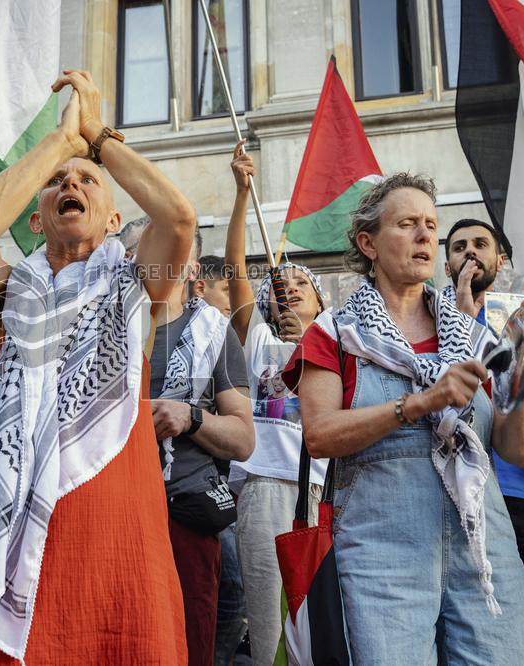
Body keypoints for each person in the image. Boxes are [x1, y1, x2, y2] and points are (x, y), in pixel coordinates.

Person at [0, 69, 193, 665]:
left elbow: (178, 217)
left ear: (112, 223)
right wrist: (61, 143)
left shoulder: (136, 286)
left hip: (114, 527)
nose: (70, 185)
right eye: (56, 185)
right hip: (13, 523)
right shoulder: (8, 296)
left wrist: (97, 135)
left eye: (86, 183)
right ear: (34, 218)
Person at [291, 173, 524, 662]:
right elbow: (320, 435)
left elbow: (519, 451)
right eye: (407, 223)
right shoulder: (335, 333)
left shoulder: (476, 337)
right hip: (381, 558)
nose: (426, 235)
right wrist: (419, 404)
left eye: (431, 224)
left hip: (483, 554)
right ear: (368, 243)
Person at [128, 219, 254, 666]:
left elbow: (242, 440)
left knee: (188, 648)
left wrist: (191, 417)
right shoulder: (98, 333)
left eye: (170, 246)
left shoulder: (214, 335)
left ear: (191, 265)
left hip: (183, 514)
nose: (155, 257)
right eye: (143, 247)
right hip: (112, 517)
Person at [223, 140, 329, 664]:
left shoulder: (337, 344)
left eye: (300, 286)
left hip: (324, 488)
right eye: (278, 288)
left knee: (322, 619)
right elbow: (237, 269)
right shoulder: (258, 342)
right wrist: (243, 194)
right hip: (265, 485)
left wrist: (311, 341)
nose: (287, 292)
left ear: (320, 302)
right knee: (269, 621)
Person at [444, 217, 524, 628]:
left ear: (500, 259)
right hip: (470, 498)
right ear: (446, 267)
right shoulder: (435, 322)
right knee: (481, 622)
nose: (469, 252)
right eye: (458, 247)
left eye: (480, 244)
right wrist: (461, 321)